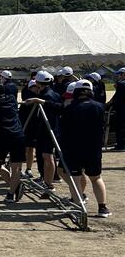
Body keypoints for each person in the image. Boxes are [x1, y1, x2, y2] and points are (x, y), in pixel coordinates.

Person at [46, 80, 110, 217]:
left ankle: (79, 208)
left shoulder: (70, 108)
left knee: (75, 180)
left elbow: (57, 109)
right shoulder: (99, 107)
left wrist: (42, 102)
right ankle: (102, 207)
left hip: (73, 149)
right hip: (93, 149)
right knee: (96, 178)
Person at [0, 83, 27, 202]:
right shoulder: (11, 99)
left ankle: (13, 189)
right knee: (16, 167)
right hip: (17, 135)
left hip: (2, 137)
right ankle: (13, 190)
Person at [32, 70, 62, 196]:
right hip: (50, 128)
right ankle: (47, 179)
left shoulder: (46, 96)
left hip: (47, 129)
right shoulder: (54, 93)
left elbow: (51, 111)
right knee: (47, 156)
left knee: (47, 156)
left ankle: (49, 183)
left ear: (38, 82)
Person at [19, 78, 40, 178]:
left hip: (34, 126)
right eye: (35, 87)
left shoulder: (39, 97)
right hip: (26, 126)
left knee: (31, 149)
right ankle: (19, 169)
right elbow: (22, 114)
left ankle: (28, 168)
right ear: (31, 87)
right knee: (23, 149)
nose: (37, 89)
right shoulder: (27, 98)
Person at [107, 67, 125, 151]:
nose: (118, 76)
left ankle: (120, 145)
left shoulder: (120, 84)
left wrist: (108, 105)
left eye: (120, 74)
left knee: (120, 127)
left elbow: (116, 97)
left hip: (121, 109)